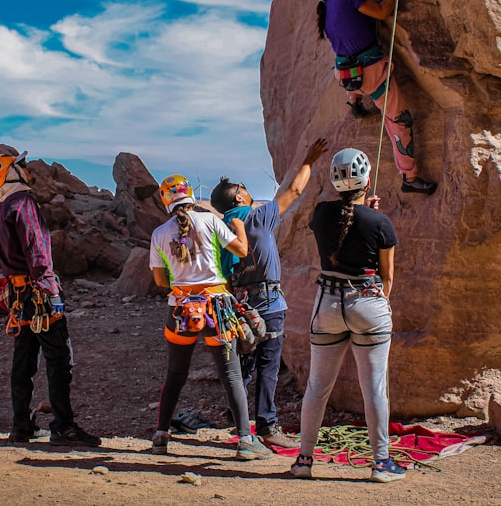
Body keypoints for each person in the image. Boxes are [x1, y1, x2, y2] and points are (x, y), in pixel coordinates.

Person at [289, 147, 407, 483]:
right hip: (367, 303)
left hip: (327, 304)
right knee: (374, 387)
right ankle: (381, 463)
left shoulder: (321, 213)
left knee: (317, 386)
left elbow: (342, 223)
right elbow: (387, 276)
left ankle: (304, 461)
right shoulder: (380, 222)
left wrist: (360, 213)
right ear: (367, 180)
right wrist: (379, 307)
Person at [209, 138, 329, 450]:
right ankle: (266, 425)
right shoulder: (257, 217)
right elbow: (294, 192)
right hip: (268, 303)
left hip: (236, 306)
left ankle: (240, 422)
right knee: (268, 366)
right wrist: (309, 160)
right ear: (239, 195)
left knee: (243, 366)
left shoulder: (217, 228)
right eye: (245, 187)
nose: (249, 191)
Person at [0, 151, 101, 448]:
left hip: (18, 295)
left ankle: (21, 426)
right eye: (20, 166)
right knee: (59, 358)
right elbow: (37, 248)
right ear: (10, 174)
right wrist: (50, 288)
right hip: (39, 293)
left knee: (24, 360)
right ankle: (62, 426)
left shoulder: (0, 209)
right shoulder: (23, 202)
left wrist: (13, 271)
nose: (26, 169)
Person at [149, 174, 272, 461]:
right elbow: (241, 250)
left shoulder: (159, 233)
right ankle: (245, 440)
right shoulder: (210, 221)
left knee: (175, 375)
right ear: (190, 194)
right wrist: (240, 227)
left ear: (165, 199)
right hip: (216, 306)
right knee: (231, 375)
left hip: (180, 310)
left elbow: (159, 281)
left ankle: (160, 435)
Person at [304, 0, 437, 195]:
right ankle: (409, 176)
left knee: (349, 61)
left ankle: (354, 101)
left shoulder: (325, 9)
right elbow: (383, 12)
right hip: (371, 72)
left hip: (347, 75)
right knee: (398, 120)